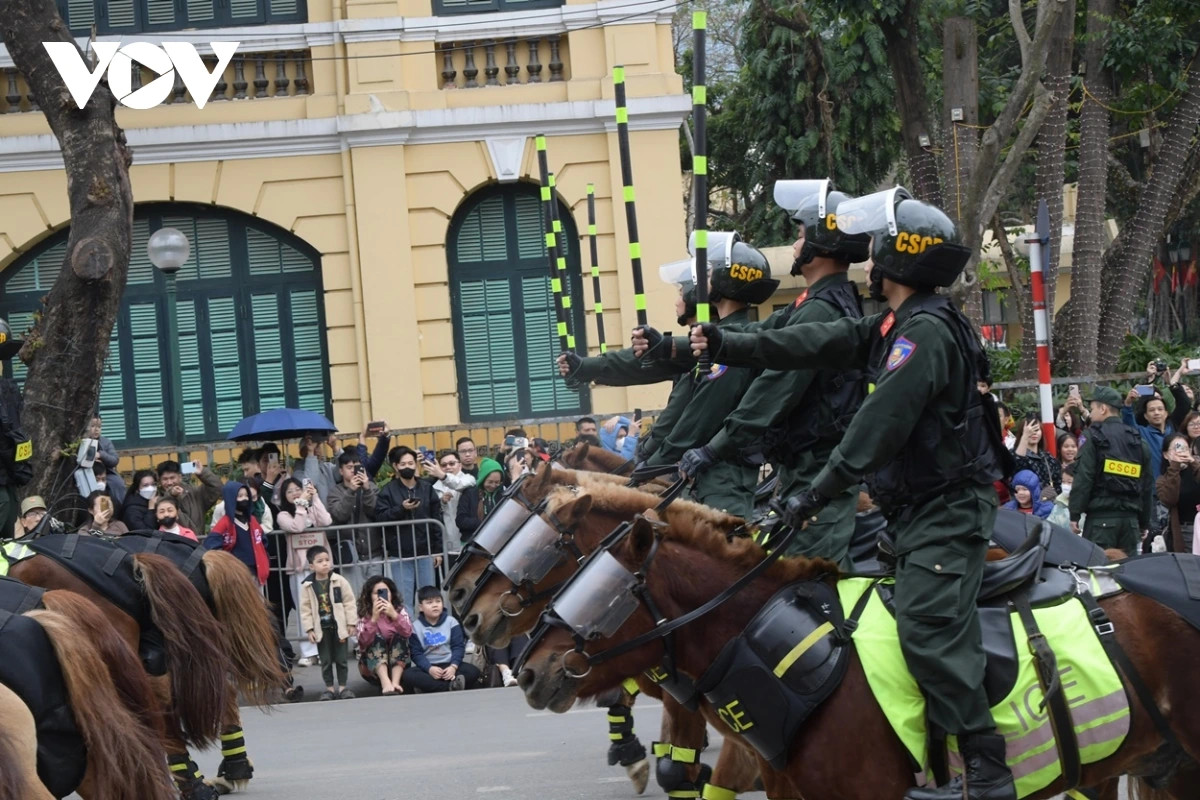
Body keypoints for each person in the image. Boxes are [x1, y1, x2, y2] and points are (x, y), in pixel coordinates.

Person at [689, 187, 1013, 800]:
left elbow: (876, 424)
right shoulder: (894, 324)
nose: (868, 257)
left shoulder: (925, 334)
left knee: (926, 627)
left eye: (878, 247)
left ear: (897, 258)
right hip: (916, 512)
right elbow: (810, 344)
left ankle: (988, 772)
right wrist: (727, 342)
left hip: (947, 512)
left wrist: (814, 494)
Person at [676, 179, 871, 566]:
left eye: (800, 235)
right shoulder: (812, 304)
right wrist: (672, 347)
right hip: (803, 471)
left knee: (809, 584)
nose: (795, 245)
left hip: (817, 471)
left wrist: (713, 449)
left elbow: (773, 389)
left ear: (820, 243)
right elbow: (756, 335)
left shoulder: (821, 310)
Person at [630, 233, 782, 517]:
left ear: (725, 280)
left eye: (709, 273)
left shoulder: (728, 345)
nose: (702, 280)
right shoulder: (727, 338)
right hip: (710, 473)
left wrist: (652, 463)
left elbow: (699, 417)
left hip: (725, 479)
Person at [1069, 387, 1153, 558]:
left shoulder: (1091, 436)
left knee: (1098, 569)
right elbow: (1147, 485)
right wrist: (1144, 522)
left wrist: (1075, 514)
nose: (1091, 413)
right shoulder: (1137, 439)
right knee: (1129, 570)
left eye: (1092, 408)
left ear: (1103, 408)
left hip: (1101, 520)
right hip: (1130, 522)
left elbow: (1084, 477)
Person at [375, 446, 443, 610]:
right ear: (395, 466)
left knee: (429, 597)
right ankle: (407, 626)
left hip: (425, 551)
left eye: (411, 463)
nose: (408, 467)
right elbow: (381, 517)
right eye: (403, 464)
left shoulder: (426, 488)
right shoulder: (388, 491)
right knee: (404, 599)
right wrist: (401, 508)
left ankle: (428, 625)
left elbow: (437, 519)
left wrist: (438, 550)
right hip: (400, 554)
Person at [299, 545, 358, 700]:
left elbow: (349, 602)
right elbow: (305, 609)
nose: (325, 563)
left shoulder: (339, 581)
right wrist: (309, 629)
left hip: (339, 627)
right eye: (320, 561)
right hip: (321, 629)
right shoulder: (307, 586)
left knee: (341, 659)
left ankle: (343, 687)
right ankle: (329, 689)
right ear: (311, 566)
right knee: (325, 660)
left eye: (327, 560)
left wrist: (351, 623)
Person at [403, 585, 480, 693]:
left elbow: (458, 647)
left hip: (449, 664)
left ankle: (430, 687)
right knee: (408, 675)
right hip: (428, 667)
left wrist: (453, 667)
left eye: (438, 601)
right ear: (421, 607)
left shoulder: (451, 622)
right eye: (429, 602)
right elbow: (416, 653)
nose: (435, 605)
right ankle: (451, 686)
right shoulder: (415, 627)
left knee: (473, 671)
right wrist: (429, 669)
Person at [325, 451, 376, 591]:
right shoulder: (335, 492)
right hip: (349, 554)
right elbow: (339, 515)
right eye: (349, 467)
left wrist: (367, 490)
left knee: (376, 594)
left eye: (357, 467)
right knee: (353, 595)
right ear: (341, 471)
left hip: (373, 551)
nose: (354, 471)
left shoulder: (371, 487)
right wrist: (351, 491)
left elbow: (375, 511)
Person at [205, 482, 271, 585]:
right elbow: (211, 544)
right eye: (240, 496)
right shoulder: (224, 523)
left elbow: (263, 542)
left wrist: (264, 561)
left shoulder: (253, 521)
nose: (244, 499)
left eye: (246, 495)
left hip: (257, 573)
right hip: (236, 576)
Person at [355, 575, 412, 695]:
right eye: (377, 593)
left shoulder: (399, 610)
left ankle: (395, 683)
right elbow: (362, 643)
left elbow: (408, 632)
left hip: (399, 663)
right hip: (371, 667)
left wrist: (394, 615)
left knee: (400, 636)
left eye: (385, 592)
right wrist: (373, 619)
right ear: (370, 596)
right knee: (376, 638)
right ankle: (385, 683)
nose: (381, 596)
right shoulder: (364, 614)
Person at [0, 320, 31, 537]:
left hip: (7, 477)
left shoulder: (7, 390)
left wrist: (19, 468)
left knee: (7, 537)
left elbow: (15, 433)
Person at [423, 450, 475, 554]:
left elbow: (459, 484)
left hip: (467, 536)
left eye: (452, 463)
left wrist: (443, 476)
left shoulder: (468, 479)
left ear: (460, 465)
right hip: (447, 538)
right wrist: (442, 502)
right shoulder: (433, 487)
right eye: (444, 465)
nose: (448, 467)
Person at [1155, 433, 1200, 553]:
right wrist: (1175, 466)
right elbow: (1170, 499)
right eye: (1177, 448)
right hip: (1185, 530)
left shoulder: (1196, 469)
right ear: (1166, 455)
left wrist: (1193, 461)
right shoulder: (1163, 480)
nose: (1181, 452)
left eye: (1185, 448)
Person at [157, 459, 223, 534]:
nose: (169, 483)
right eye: (165, 479)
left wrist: (203, 473)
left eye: (172, 478)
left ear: (180, 477)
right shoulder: (156, 499)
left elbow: (217, 488)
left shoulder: (195, 492)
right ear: (160, 481)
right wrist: (171, 495)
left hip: (197, 539)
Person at [1122, 388, 1174, 480]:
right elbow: (1128, 421)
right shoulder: (1142, 433)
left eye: (1160, 409)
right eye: (1152, 410)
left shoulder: (1174, 434)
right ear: (1146, 416)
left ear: (1166, 413)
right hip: (1153, 485)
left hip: (1174, 485)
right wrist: (1128, 403)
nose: (1156, 413)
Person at [455, 457, 504, 544]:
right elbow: (460, 520)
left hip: (495, 542)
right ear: (482, 479)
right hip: (472, 543)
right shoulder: (469, 494)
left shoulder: (502, 495)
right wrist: (484, 522)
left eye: (497, 482)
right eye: (490, 482)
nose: (493, 485)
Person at [1012, 416, 1062, 496]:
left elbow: (1058, 483)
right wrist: (1025, 437)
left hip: (1046, 501)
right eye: (1030, 430)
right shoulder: (1013, 454)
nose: (1034, 433)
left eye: (1036, 430)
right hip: (1022, 500)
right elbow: (1017, 465)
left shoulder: (1048, 457)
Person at [1046, 464, 1075, 530]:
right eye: (1063, 482)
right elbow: (1049, 527)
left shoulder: (1088, 506)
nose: (1065, 486)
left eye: (1069, 482)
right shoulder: (1058, 505)